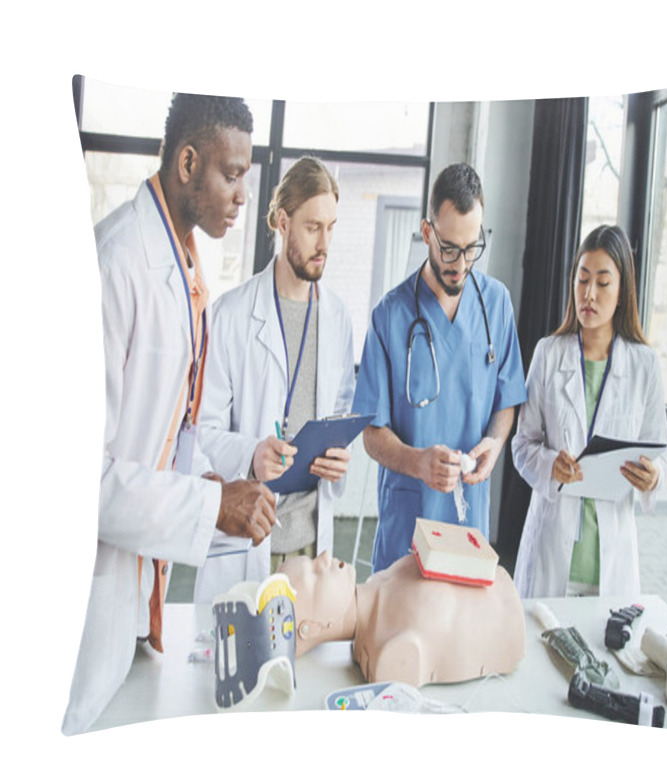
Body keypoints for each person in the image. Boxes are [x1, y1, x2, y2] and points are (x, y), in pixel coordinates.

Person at [62, 94, 277, 736]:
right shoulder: (114, 264)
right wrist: (212, 507)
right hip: (89, 600)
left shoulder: (185, 266)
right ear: (187, 162)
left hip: (135, 597)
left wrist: (211, 483)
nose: (243, 195)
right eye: (231, 174)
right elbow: (83, 482)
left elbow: (168, 429)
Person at [352, 163, 527, 572]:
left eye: (471, 248)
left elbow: (508, 400)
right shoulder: (390, 316)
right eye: (449, 248)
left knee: (463, 632)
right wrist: (418, 462)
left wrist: (495, 443)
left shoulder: (496, 304)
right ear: (427, 232)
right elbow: (371, 434)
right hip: (408, 529)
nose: (461, 263)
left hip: (469, 529)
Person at [194, 156, 354, 601]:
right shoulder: (230, 315)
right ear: (282, 223)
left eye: (331, 228)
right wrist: (251, 454)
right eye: (312, 227)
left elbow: (341, 410)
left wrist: (340, 462)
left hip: (309, 545)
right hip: (249, 541)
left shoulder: (338, 318)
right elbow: (201, 434)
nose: (325, 243)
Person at [512, 224, 667, 599]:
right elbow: (522, 445)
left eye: (602, 283)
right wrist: (551, 465)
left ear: (622, 291)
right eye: (582, 280)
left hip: (610, 559)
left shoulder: (644, 365)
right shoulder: (549, 354)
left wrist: (654, 477)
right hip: (552, 547)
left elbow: (662, 456)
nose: (589, 294)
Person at [278, 551, 525, 686]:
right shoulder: (391, 649)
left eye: (312, 561)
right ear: (309, 628)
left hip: (507, 604)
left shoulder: (379, 583)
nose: (323, 557)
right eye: (312, 575)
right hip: (510, 627)